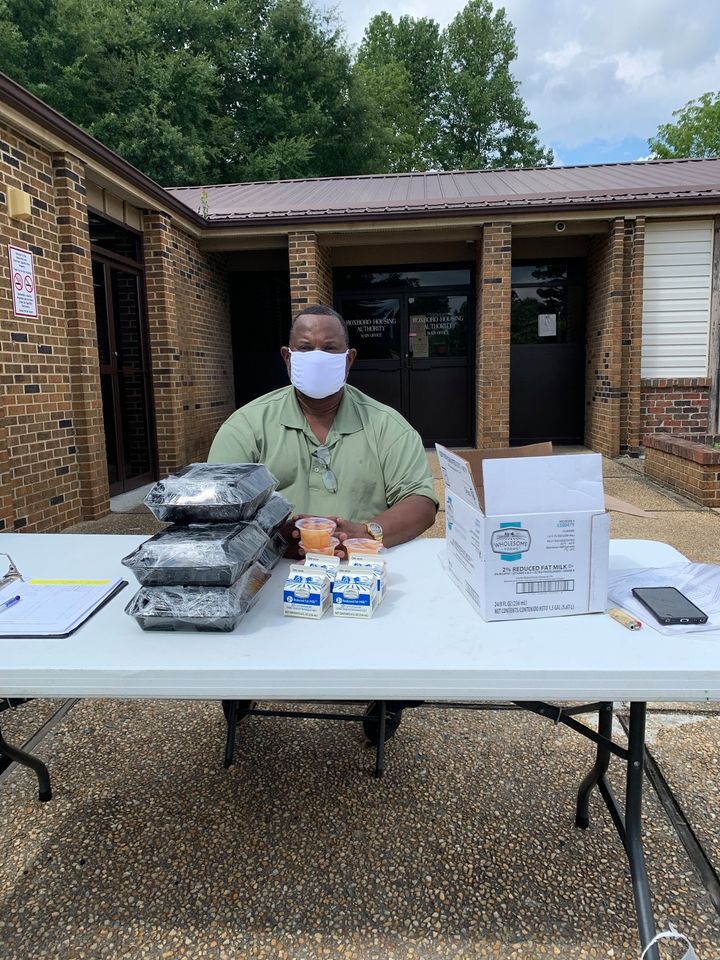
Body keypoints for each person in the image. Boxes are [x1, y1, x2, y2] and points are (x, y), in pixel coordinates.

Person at [208, 303, 438, 741]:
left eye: (330, 348)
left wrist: (366, 531)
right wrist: (271, 533)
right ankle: (240, 685)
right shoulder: (248, 424)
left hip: (359, 570)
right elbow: (220, 503)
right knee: (234, 628)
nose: (318, 356)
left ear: (349, 358)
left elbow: (421, 501)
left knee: (414, 633)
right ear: (286, 356)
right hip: (268, 568)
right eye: (305, 347)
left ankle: (385, 697)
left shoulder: (386, 425)